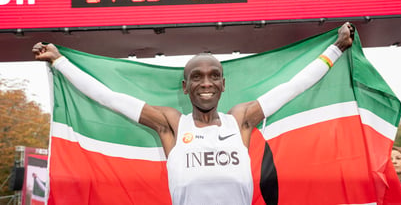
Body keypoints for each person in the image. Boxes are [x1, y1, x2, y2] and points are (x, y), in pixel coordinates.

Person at [32, 22, 354, 205]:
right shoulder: (172, 125)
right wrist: (59, 61)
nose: (206, 82)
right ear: (185, 86)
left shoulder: (240, 120)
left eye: (214, 75)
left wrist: (335, 49)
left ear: (224, 85)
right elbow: (111, 99)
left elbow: (292, 87)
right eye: (197, 77)